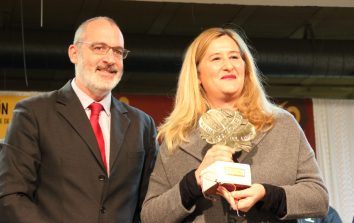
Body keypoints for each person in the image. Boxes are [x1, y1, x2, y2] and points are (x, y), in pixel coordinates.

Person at [140, 27, 328, 222]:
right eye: (216, 59)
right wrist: (194, 181)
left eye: (235, 57)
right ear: (197, 75)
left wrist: (267, 194)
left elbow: (318, 198)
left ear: (246, 67)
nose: (228, 66)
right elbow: (150, 216)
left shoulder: (281, 125)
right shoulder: (178, 139)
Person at [0, 16, 158, 223]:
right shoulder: (33, 113)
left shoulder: (143, 125)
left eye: (117, 51)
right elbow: (8, 199)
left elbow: (149, 206)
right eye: (99, 48)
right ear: (74, 53)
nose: (110, 59)